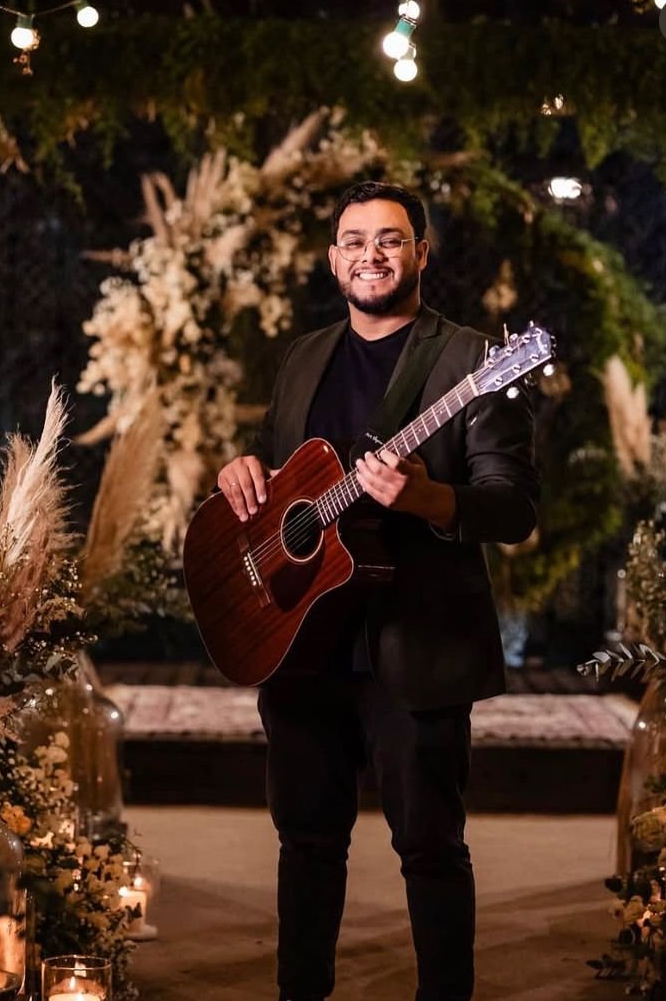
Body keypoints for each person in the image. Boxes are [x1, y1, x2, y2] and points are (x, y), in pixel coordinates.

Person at [216, 181, 540, 1001]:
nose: (372, 255)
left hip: (416, 643)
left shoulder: (473, 362)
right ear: (334, 260)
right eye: (355, 241)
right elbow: (280, 476)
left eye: (390, 239)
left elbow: (513, 507)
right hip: (302, 643)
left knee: (430, 849)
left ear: (421, 253)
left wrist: (427, 498)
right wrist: (243, 472)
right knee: (305, 843)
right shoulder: (303, 357)